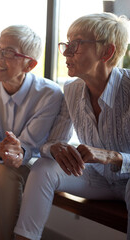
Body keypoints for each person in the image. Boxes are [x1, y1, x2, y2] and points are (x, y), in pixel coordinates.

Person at [14, 13, 130, 240]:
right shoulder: (72, 89)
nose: (66, 52)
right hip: (98, 179)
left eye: (75, 45)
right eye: (66, 44)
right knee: (42, 168)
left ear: (107, 52)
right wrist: (56, 148)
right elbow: (52, 142)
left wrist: (113, 156)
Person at [0, 25, 63, 240]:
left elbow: (29, 146)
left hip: (32, 166)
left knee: (6, 172)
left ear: (30, 65)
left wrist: (15, 151)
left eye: (9, 53)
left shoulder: (49, 94)